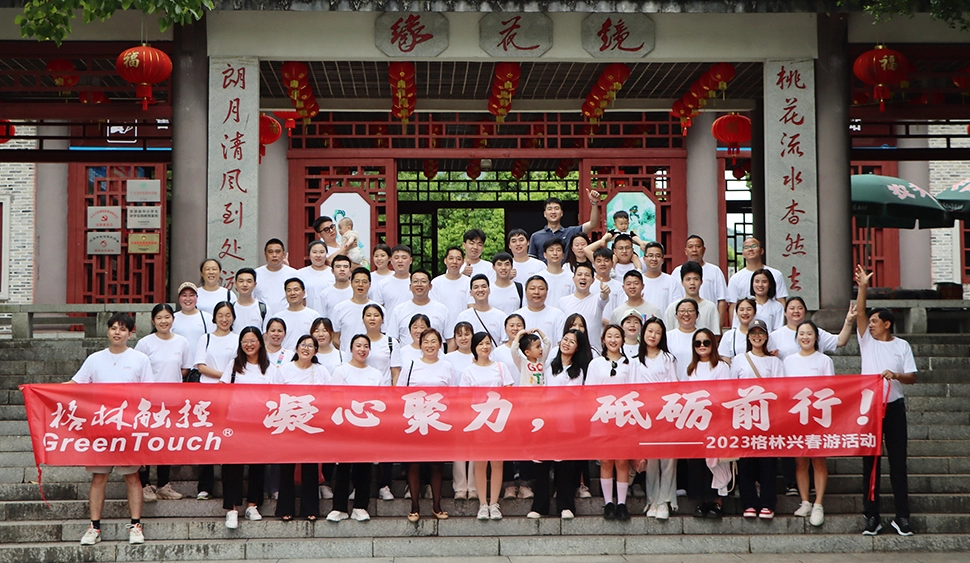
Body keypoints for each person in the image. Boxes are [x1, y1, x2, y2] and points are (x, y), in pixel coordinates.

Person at [71, 313, 152, 546]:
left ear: (130, 333)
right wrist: (38, 390)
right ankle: (94, 527)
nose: (118, 332)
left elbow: (149, 394)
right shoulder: (95, 359)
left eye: (123, 329)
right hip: (100, 427)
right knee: (99, 477)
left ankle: (136, 525)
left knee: (132, 476)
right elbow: (75, 386)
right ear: (107, 331)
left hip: (129, 427)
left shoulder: (140, 359)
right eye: (114, 328)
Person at [856, 264, 917, 537]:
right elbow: (859, 312)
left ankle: (902, 517)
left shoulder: (901, 345)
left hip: (894, 408)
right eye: (869, 322)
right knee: (871, 464)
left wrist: (896, 376)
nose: (870, 324)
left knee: (898, 463)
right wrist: (862, 288)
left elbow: (912, 378)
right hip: (869, 408)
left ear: (887, 324)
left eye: (875, 321)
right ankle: (872, 516)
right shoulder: (866, 342)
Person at [398, 329, 458, 521]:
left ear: (440, 344)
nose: (430, 345)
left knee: (436, 465)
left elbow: (454, 394)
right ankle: (415, 506)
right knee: (413, 464)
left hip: (438, 421)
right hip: (415, 421)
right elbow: (400, 393)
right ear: (420, 344)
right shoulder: (411, 365)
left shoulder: (447, 366)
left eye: (434, 341)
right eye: (426, 341)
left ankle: (437, 506)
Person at [328, 334, 390, 522]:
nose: (362, 349)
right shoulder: (341, 371)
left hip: (367, 426)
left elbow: (381, 401)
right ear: (351, 348)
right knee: (344, 467)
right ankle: (339, 507)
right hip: (346, 424)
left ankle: (361, 506)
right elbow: (335, 398)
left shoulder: (375, 374)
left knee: (364, 467)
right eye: (358, 345)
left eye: (365, 346)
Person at [586, 324, 644, 521]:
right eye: (609, 336)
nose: (613, 340)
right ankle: (608, 503)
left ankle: (621, 503)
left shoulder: (631, 364)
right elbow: (590, 392)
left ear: (623, 339)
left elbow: (637, 391)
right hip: (603, 417)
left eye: (617, 336)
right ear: (603, 340)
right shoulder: (596, 364)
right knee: (606, 460)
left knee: (622, 461)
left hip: (624, 417)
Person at [135, 304, 192, 503]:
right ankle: (144, 484)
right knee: (146, 442)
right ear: (153, 321)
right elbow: (137, 370)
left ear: (173, 319)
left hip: (172, 402)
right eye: (159, 318)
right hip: (148, 402)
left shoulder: (182, 342)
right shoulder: (144, 343)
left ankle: (163, 484)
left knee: (166, 442)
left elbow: (185, 369)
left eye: (167, 317)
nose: (163, 321)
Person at [532, 329, 591, 520]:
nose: (567, 343)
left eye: (572, 341)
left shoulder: (578, 371)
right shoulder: (549, 365)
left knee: (564, 465)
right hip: (545, 421)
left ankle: (565, 505)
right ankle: (539, 507)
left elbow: (571, 396)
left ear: (578, 348)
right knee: (541, 464)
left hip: (566, 423)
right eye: (565, 339)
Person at [273, 333, 331, 521]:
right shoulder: (284, 370)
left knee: (310, 466)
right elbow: (275, 395)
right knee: (287, 468)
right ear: (297, 348)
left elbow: (331, 395)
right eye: (303, 344)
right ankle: (285, 508)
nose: (306, 348)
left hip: (312, 423)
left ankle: (310, 508)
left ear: (315, 351)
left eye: (310, 345)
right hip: (288, 422)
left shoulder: (320, 371)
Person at [783, 320, 835, 528]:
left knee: (819, 461)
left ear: (816, 337)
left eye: (809, 333)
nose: (805, 337)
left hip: (818, 417)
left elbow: (832, 388)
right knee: (800, 462)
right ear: (797, 337)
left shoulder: (824, 360)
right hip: (796, 417)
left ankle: (819, 503)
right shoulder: (788, 361)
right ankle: (805, 501)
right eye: (801, 334)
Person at [731, 319, 785, 520]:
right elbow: (731, 387)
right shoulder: (739, 360)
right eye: (753, 333)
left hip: (767, 416)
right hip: (744, 416)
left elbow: (780, 390)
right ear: (748, 336)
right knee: (746, 462)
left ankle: (768, 503)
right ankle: (749, 503)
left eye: (760, 333)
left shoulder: (774, 362)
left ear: (766, 336)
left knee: (767, 463)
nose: (756, 337)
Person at [218, 326, 271, 528]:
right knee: (232, 466)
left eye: (253, 340)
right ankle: (231, 509)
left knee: (257, 466)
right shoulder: (233, 365)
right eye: (245, 341)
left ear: (260, 342)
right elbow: (221, 392)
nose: (249, 344)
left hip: (259, 424)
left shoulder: (269, 367)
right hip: (235, 422)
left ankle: (252, 505)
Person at [461, 332, 515, 521]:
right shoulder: (469, 371)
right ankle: (483, 504)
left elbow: (509, 394)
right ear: (474, 347)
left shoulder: (500, 367)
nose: (485, 347)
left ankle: (494, 503)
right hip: (478, 422)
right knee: (480, 463)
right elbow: (464, 399)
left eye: (487, 343)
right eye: (481, 344)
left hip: (498, 421)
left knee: (497, 463)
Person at [686, 328, 732, 519]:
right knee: (698, 463)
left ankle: (717, 501)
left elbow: (726, 392)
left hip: (716, 420)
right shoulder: (691, 368)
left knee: (717, 462)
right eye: (698, 343)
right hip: (696, 422)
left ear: (713, 345)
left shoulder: (721, 366)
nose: (702, 346)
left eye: (706, 342)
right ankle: (702, 500)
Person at [636, 317, 678, 520]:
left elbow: (674, 386)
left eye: (657, 332)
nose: (653, 335)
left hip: (666, 413)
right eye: (650, 331)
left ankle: (665, 501)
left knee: (668, 459)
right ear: (643, 334)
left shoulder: (668, 358)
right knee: (651, 459)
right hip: (644, 415)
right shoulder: (635, 360)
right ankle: (652, 499)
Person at [360, 303, 402, 501]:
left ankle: (385, 485)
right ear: (363, 319)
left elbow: (395, 372)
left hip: (384, 401)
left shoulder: (391, 342)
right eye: (368, 315)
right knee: (362, 445)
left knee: (385, 445)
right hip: (361, 403)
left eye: (376, 315)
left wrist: (393, 398)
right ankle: (361, 484)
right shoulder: (358, 342)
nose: (372, 318)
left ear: (382, 320)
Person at [445, 321, 477, 501]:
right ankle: (459, 486)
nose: (463, 338)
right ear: (455, 338)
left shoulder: (478, 354)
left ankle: (473, 486)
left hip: (475, 407)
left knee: (474, 448)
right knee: (458, 448)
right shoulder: (448, 357)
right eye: (459, 334)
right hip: (456, 406)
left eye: (467, 333)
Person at [726, 237, 788, 325]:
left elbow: (781, 301)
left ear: (762, 251)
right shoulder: (735, 278)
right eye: (746, 247)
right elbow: (733, 306)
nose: (750, 249)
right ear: (743, 253)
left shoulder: (776, 274)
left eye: (754, 246)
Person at [768, 297, 855, 360]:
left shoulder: (816, 332)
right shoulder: (775, 336)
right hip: (788, 382)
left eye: (800, 308)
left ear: (805, 312)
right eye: (792, 308)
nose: (796, 311)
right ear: (785, 313)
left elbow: (840, 341)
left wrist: (849, 322)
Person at [528, 189, 602, 260]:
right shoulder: (536, 236)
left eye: (556, 208)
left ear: (561, 213)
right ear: (545, 214)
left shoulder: (571, 232)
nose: (553, 212)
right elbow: (532, 261)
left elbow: (593, 224)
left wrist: (594, 203)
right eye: (550, 209)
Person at [387, 269, 451, 347]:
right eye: (415, 281)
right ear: (410, 287)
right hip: (406, 358)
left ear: (430, 286)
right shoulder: (399, 310)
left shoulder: (442, 310)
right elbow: (392, 339)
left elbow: (450, 340)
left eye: (423, 281)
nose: (419, 284)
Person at [670, 235, 728, 321]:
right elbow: (674, 299)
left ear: (704, 250)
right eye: (690, 247)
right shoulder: (677, 271)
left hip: (708, 317)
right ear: (685, 251)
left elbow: (721, 300)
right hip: (684, 320)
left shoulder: (715, 271)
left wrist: (718, 324)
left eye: (698, 246)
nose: (694, 250)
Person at [664, 260, 720, 335]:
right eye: (688, 279)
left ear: (701, 281)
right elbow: (667, 335)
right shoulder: (672, 308)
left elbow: (715, 335)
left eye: (696, 279)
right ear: (682, 282)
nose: (692, 283)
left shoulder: (710, 307)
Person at [332, 267, 379, 353]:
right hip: (347, 359)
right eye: (357, 281)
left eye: (364, 282)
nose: (360, 284)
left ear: (370, 284)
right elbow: (335, 338)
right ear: (351, 283)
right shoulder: (339, 308)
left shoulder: (378, 309)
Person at [514, 276, 566, 348]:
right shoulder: (517, 316)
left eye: (541, 289)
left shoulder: (558, 315)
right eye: (532, 288)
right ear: (525, 292)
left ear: (547, 292)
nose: (536, 292)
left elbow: (561, 342)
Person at [253, 238, 299, 317]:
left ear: (283, 254)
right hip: (262, 317)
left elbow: (301, 300)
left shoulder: (293, 273)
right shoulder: (256, 274)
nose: (274, 255)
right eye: (270, 252)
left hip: (287, 317)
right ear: (265, 255)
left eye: (278, 252)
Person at [456, 274, 507, 344]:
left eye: (484, 286)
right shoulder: (464, 316)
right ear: (471, 293)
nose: (480, 290)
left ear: (489, 290)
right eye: (476, 287)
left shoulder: (501, 316)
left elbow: (504, 343)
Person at [558, 262, 610, 331]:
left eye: (587, 275)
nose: (583, 277)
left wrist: (605, 292)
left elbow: (604, 297)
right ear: (573, 278)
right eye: (579, 274)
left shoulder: (597, 300)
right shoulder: (563, 301)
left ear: (592, 280)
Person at [430, 247, 471, 333]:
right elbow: (434, 308)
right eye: (451, 258)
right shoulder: (436, 283)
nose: (454, 262)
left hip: (463, 331)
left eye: (458, 259)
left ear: (463, 262)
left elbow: (471, 308)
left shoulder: (469, 282)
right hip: (441, 330)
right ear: (445, 261)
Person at [275, 278, 321, 351]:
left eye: (296, 289)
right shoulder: (278, 317)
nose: (292, 293)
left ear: (304, 293)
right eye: (289, 290)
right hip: (284, 358)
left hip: (307, 357)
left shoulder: (314, 315)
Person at [641, 241, 679, 313]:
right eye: (650, 255)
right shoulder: (638, 281)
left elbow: (677, 308)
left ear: (662, 260)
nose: (654, 259)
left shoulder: (672, 282)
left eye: (658, 256)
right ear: (644, 259)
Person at [298, 241, 336, 314]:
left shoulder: (333, 273)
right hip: (308, 316)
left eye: (322, 252)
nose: (318, 255)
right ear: (309, 254)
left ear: (326, 254)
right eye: (314, 252)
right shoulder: (300, 273)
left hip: (329, 317)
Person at [374, 244, 414, 313]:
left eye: (404, 258)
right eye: (396, 258)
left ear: (410, 260)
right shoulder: (383, 284)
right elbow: (377, 310)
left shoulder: (416, 283)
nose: (400, 261)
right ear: (391, 260)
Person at [667, 298, 699, 382]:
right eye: (682, 311)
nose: (686, 314)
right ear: (676, 315)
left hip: (698, 385)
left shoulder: (703, 336)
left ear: (697, 315)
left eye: (690, 311)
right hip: (673, 385)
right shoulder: (668, 336)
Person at [718, 298, 757, 363]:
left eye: (749, 309)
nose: (745, 313)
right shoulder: (728, 335)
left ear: (755, 312)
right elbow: (725, 360)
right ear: (736, 313)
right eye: (741, 310)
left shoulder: (762, 334)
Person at [538, 238, 575, 306]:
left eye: (558, 250)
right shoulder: (538, 278)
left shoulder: (572, 278)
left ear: (563, 255)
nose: (555, 253)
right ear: (545, 255)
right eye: (551, 250)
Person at [172, 282, 207, 348]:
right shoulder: (172, 318)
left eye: (191, 295)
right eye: (184, 295)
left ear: (197, 297)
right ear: (179, 298)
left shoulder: (206, 318)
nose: (188, 299)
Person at [232, 268, 268, 332]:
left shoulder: (264, 309)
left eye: (249, 281)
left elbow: (266, 336)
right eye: (241, 281)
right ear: (236, 284)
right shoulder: (231, 309)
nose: (245, 285)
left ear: (254, 285)